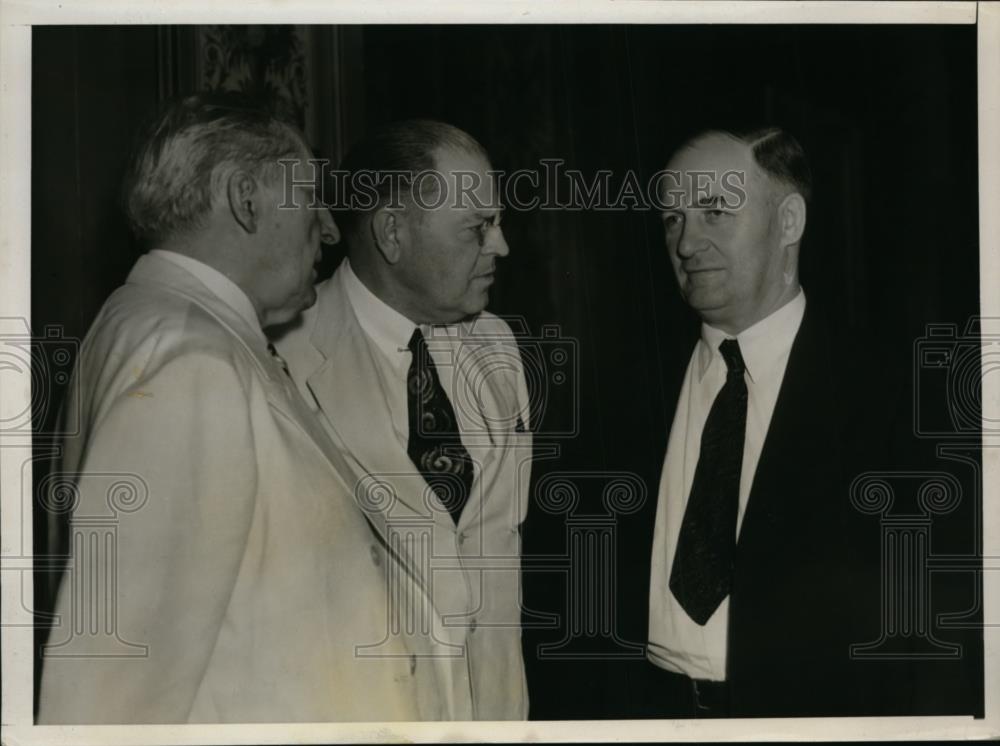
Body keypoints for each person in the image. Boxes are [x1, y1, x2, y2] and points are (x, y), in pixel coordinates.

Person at [37, 94, 446, 723]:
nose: (332, 229)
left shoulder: (154, 324)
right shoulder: (191, 361)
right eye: (310, 195)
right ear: (246, 198)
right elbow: (111, 701)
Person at [630, 126, 902, 717]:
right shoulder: (627, 388)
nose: (685, 243)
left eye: (714, 212)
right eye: (672, 219)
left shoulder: (888, 393)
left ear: (788, 222)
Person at [273, 120, 533, 720]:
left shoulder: (496, 346)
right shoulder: (280, 360)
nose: (501, 247)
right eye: (478, 228)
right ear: (392, 232)